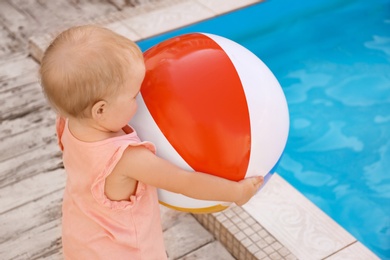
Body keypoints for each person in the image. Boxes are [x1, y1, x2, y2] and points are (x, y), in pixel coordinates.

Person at [40, 25, 264, 260]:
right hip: (125, 252)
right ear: (101, 110)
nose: (141, 100)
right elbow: (185, 181)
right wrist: (236, 191)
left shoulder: (68, 121)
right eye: (134, 95)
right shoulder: (126, 158)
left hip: (83, 240)